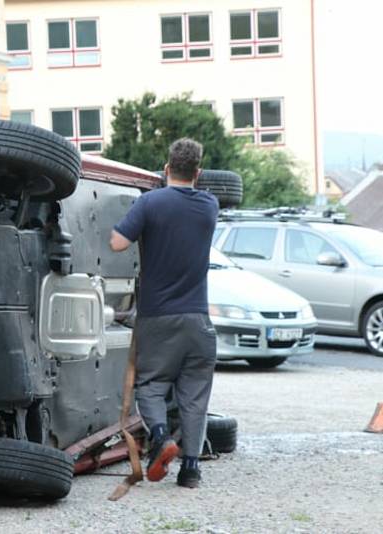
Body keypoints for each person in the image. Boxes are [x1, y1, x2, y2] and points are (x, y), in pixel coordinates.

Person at [109, 138, 219, 488]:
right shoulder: (210, 206)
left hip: (158, 317)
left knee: (151, 386)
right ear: (198, 173)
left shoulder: (150, 202)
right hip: (199, 320)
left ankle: (159, 438)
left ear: (166, 168)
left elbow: (117, 243)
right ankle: (190, 469)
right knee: (195, 396)